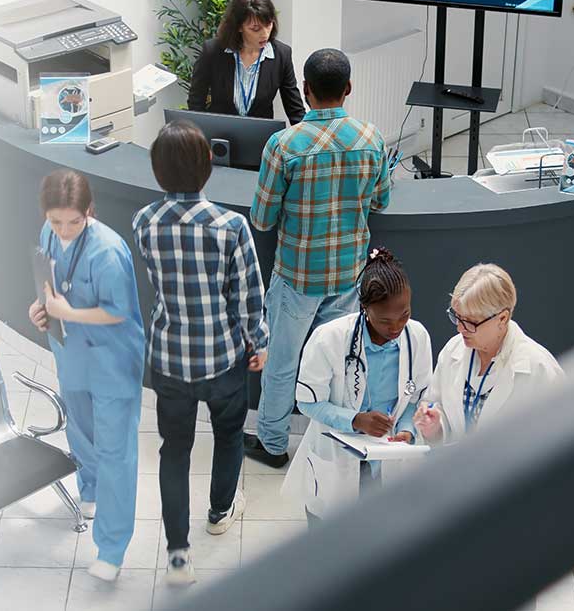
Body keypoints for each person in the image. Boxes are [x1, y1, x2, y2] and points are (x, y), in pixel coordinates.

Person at [133, 120, 269, 585]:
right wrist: (260, 342)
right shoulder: (231, 227)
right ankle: (219, 510)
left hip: (169, 359)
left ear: (156, 172)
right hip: (223, 359)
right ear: (209, 164)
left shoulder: (144, 223)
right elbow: (249, 296)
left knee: (174, 451)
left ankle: (176, 555)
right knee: (229, 436)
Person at [245, 48, 392, 468]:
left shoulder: (283, 145)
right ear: (348, 90)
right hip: (349, 275)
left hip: (296, 277)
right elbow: (381, 200)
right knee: (335, 366)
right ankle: (329, 445)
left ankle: (273, 444)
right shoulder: (371, 139)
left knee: (283, 365)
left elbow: (261, 218)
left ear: (306, 91)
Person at [27, 169, 146, 582]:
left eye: (73, 222)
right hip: (71, 352)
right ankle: (90, 488)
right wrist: (40, 310)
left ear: (89, 211)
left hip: (113, 359)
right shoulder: (47, 233)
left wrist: (68, 313)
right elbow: (48, 284)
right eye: (56, 221)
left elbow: (118, 312)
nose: (63, 230)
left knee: (115, 451)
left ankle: (111, 550)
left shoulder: (108, 252)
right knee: (80, 428)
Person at [282, 248, 433, 526]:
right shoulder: (328, 339)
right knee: (328, 545)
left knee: (377, 544)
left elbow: (420, 398)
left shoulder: (418, 338)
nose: (396, 326)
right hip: (337, 460)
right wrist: (355, 420)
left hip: (388, 462)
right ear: (365, 308)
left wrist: (408, 430)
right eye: (385, 320)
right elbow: (307, 401)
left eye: (404, 314)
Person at [413, 264, 564, 444]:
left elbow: (561, 439)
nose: (460, 328)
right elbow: (440, 411)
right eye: (458, 317)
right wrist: (434, 426)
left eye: (471, 322)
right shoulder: (453, 350)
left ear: (503, 318)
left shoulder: (539, 368)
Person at [187, 0, 305, 125]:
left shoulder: (281, 55)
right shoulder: (213, 51)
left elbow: (295, 110)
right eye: (255, 29)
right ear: (238, 27)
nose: (265, 34)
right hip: (219, 137)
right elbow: (196, 101)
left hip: (260, 138)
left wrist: (306, 140)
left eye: (268, 25)